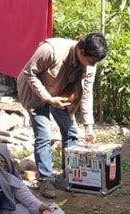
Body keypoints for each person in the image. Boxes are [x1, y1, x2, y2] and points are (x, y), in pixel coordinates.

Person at [17, 32, 108, 199]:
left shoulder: (90, 64)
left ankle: (71, 174)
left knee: (72, 132)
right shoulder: (50, 50)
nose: (91, 65)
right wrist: (48, 99)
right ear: (81, 50)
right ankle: (46, 180)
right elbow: (30, 73)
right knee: (44, 136)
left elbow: (87, 92)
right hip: (36, 94)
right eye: (90, 61)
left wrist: (88, 126)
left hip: (62, 95)